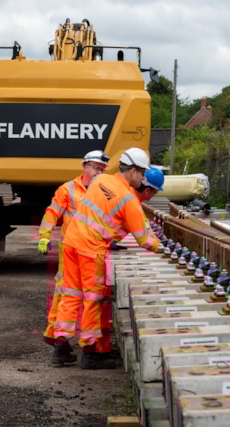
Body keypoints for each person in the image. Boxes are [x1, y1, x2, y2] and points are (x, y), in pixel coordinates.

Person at [52, 147, 161, 369]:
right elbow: (145, 241)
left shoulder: (100, 180)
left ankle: (60, 347)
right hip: (91, 249)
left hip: (72, 241)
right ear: (132, 172)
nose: (142, 179)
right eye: (141, 174)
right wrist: (166, 248)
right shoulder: (128, 199)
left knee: (71, 295)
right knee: (93, 299)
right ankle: (90, 353)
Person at [39, 150, 110, 364]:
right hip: (72, 249)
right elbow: (52, 212)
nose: (98, 171)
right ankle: (61, 341)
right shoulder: (68, 189)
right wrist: (44, 236)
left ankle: (68, 344)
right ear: (84, 166)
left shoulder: (104, 189)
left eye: (102, 169)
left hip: (91, 248)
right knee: (69, 294)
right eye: (95, 167)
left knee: (76, 295)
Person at [110, 166, 165, 250]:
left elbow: (144, 224)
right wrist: (160, 247)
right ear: (147, 191)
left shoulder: (126, 192)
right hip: (100, 243)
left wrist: (152, 235)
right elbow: (144, 240)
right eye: (155, 192)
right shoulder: (132, 203)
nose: (154, 195)